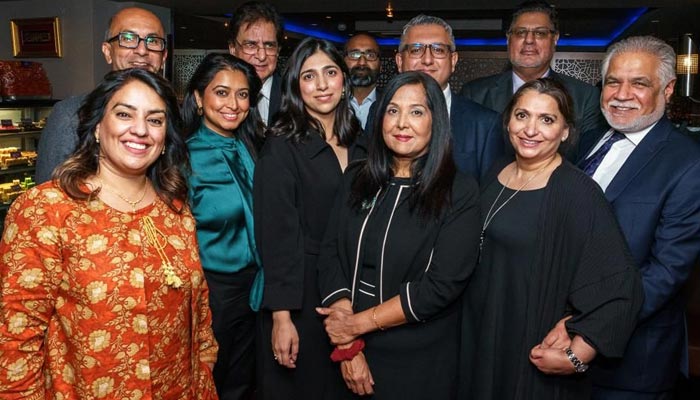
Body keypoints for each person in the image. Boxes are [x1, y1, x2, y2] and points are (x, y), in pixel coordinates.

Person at [0, 68, 217, 399]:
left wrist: (204, 369)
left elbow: (198, 312)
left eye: (155, 120)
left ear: (165, 138)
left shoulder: (175, 210)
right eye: (124, 114)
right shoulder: (46, 210)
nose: (140, 129)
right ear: (98, 126)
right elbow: (16, 340)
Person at [460, 78, 643, 399]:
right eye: (522, 115)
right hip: (484, 332)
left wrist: (578, 355)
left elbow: (620, 287)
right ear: (507, 121)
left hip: (530, 344)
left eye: (547, 120)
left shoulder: (577, 192)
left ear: (565, 131)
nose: (531, 129)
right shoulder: (496, 172)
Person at [316, 71, 481, 399]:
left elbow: (440, 285)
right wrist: (348, 345)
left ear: (437, 121)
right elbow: (331, 250)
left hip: (418, 358)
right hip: (347, 349)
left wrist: (357, 326)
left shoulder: (459, 191)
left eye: (416, 112)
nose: (401, 123)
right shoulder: (356, 177)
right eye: (392, 110)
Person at [573, 36, 700, 400]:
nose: (621, 94)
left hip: (629, 362)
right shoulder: (586, 141)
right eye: (613, 81)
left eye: (639, 83)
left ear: (668, 88)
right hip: (560, 346)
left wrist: (591, 331)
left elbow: (666, 271)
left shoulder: (687, 163)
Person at [253, 37, 365, 400]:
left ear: (344, 79)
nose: (321, 85)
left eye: (330, 73)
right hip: (303, 293)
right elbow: (277, 236)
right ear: (295, 87)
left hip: (358, 287)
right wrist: (281, 317)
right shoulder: (282, 146)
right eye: (309, 76)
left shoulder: (363, 142)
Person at [182, 53, 264, 400]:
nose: (234, 104)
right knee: (213, 378)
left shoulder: (253, 147)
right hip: (213, 291)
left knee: (248, 380)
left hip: (258, 285)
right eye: (222, 92)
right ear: (199, 99)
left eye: (243, 94)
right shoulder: (182, 158)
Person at [35, 6, 168, 183]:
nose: (142, 51)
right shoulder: (71, 113)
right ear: (107, 52)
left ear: (164, 56)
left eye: (153, 41)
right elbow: (48, 197)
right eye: (127, 38)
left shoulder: (172, 113)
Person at [460, 1, 605, 151]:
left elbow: (587, 161)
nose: (529, 40)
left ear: (555, 39)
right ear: (508, 39)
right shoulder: (474, 94)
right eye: (520, 32)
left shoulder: (585, 97)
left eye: (540, 33)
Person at [376, 14, 504, 182]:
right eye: (416, 49)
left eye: (438, 50)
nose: (427, 60)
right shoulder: (380, 112)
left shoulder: (485, 124)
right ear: (399, 61)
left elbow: (489, 197)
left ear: (453, 60)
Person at [228, 1, 284, 126]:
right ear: (233, 49)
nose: (262, 56)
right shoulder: (219, 100)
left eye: (269, 45)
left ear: (278, 50)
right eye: (251, 45)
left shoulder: (294, 96)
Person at [344, 32, 381, 129]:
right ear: (342, 62)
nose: (362, 63)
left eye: (370, 55)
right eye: (354, 54)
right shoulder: (330, 102)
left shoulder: (390, 103)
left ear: (380, 65)